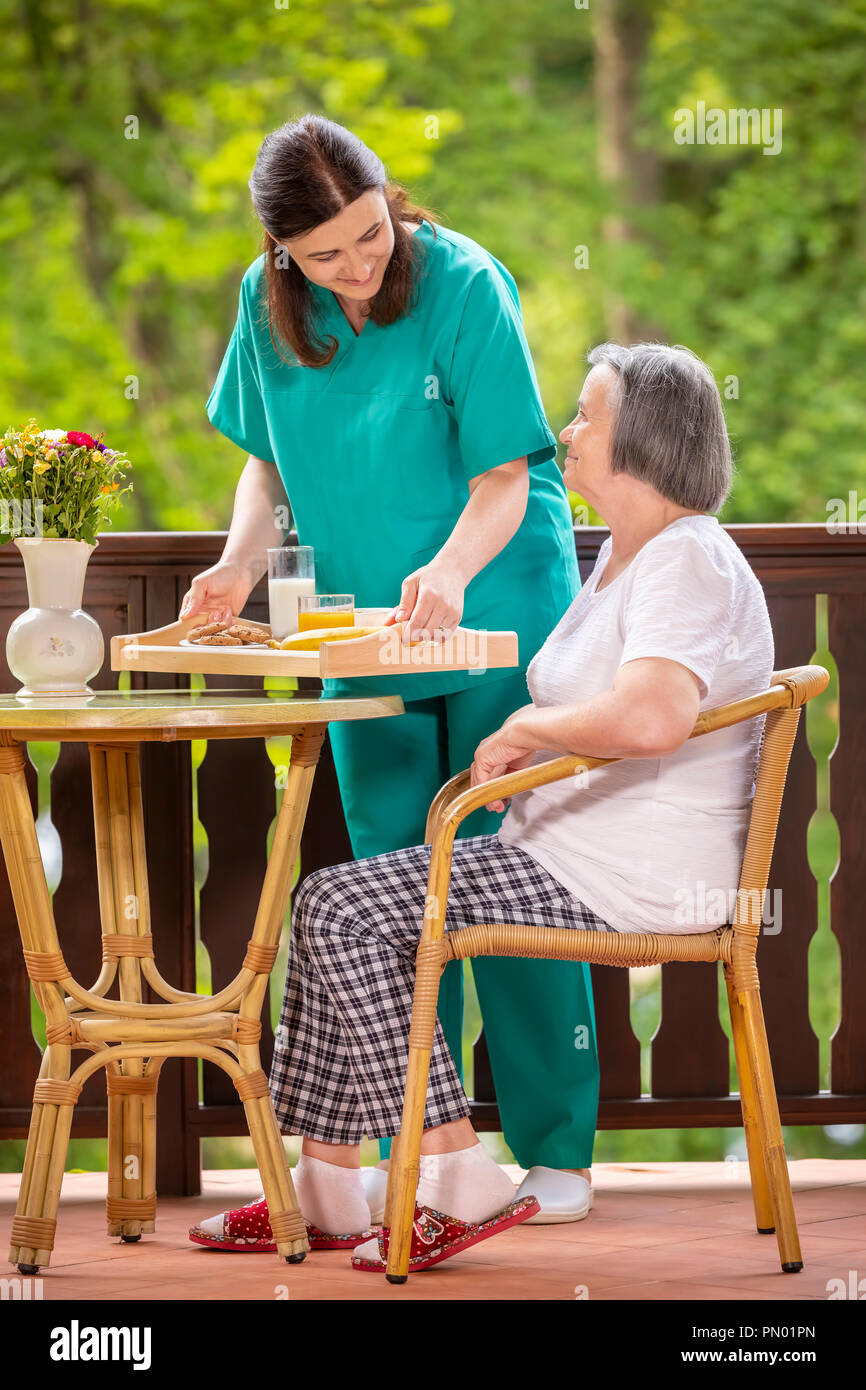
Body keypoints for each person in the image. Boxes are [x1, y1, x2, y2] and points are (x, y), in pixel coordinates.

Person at [189, 341, 774, 1273]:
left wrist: (533, 729)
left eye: (586, 417)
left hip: (625, 882)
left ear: (646, 443)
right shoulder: (632, 557)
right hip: (566, 861)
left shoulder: (686, 561)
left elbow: (658, 715)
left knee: (340, 908)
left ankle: (457, 1169)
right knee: (337, 902)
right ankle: (330, 1186)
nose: (563, 433)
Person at [181, 113, 598, 1223]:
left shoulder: (463, 283)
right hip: (361, 629)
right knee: (391, 885)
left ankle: (555, 1151)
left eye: (370, 236)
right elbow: (265, 467)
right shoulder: (264, 311)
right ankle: (420, 1147)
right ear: (284, 256)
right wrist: (234, 567)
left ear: (389, 204)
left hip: (494, 599)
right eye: (328, 256)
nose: (358, 268)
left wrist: (452, 573)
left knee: (508, 868)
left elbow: (505, 476)